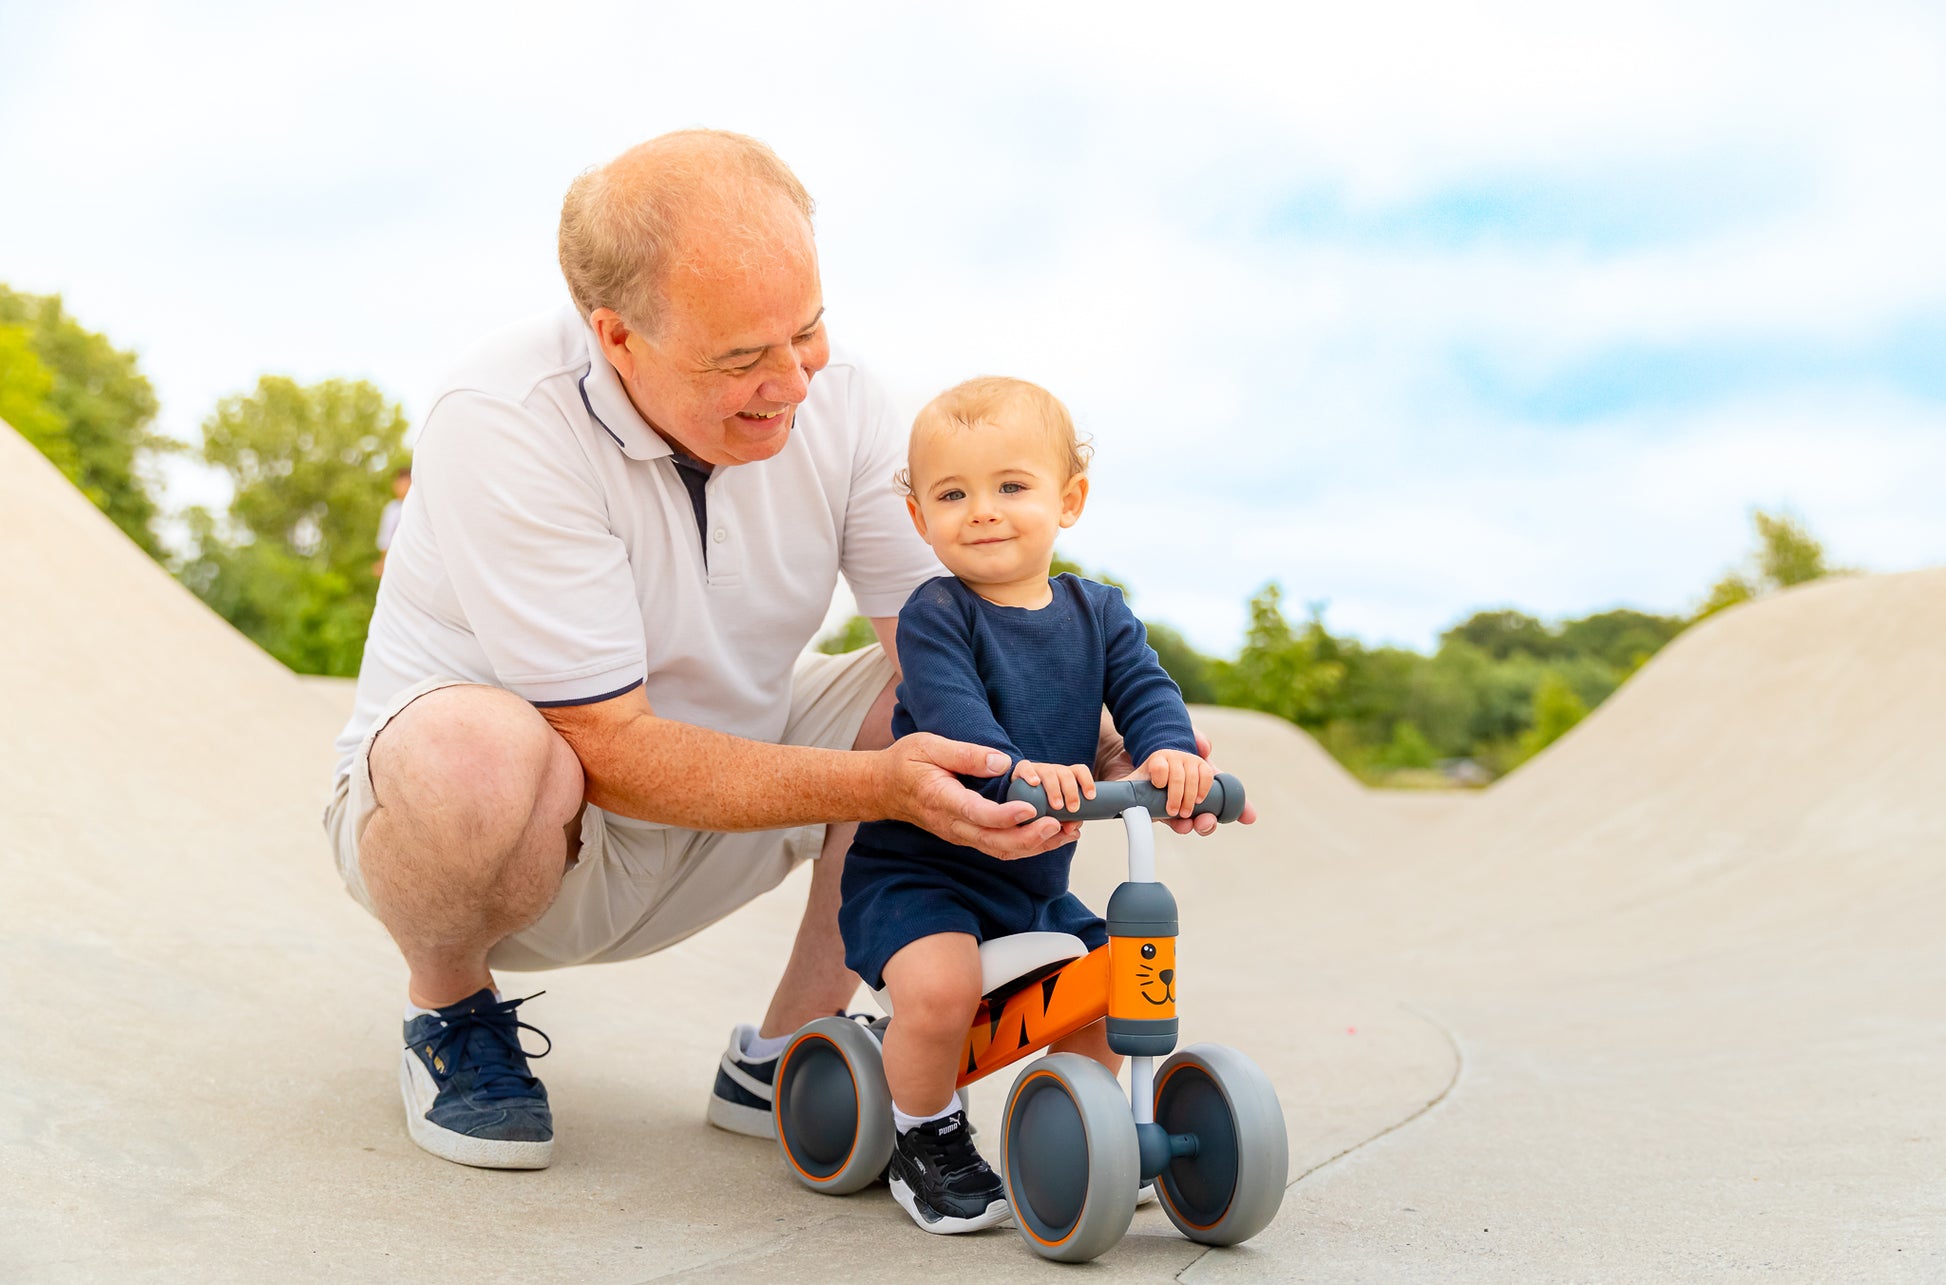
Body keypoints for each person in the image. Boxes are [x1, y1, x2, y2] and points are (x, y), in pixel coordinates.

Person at [323, 129, 1245, 1173]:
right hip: (520, 834)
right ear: (617, 336)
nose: (792, 383)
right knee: (477, 750)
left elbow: (961, 643)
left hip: (735, 780)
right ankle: (450, 1006)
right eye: (740, 359)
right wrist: (881, 784)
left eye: (804, 330)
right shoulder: (503, 418)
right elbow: (607, 745)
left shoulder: (842, 396)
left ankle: (788, 1056)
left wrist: (1120, 743)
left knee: (928, 681)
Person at [839, 377, 1218, 1233]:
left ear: (1069, 500)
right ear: (919, 518)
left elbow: (1145, 689)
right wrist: (1016, 769)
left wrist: (1167, 751)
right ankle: (924, 1136)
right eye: (952, 494)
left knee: (1114, 979)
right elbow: (953, 715)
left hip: (1031, 886)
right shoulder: (938, 613)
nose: (982, 510)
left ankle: (1076, 1128)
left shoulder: (1099, 611)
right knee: (942, 990)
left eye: (1011, 485)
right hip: (920, 878)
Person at [372, 465, 410, 577]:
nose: (402, 487)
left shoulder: (417, 508)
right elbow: (385, 540)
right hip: (397, 561)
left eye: (406, 483)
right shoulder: (391, 509)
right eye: (400, 483)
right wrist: (383, 562)